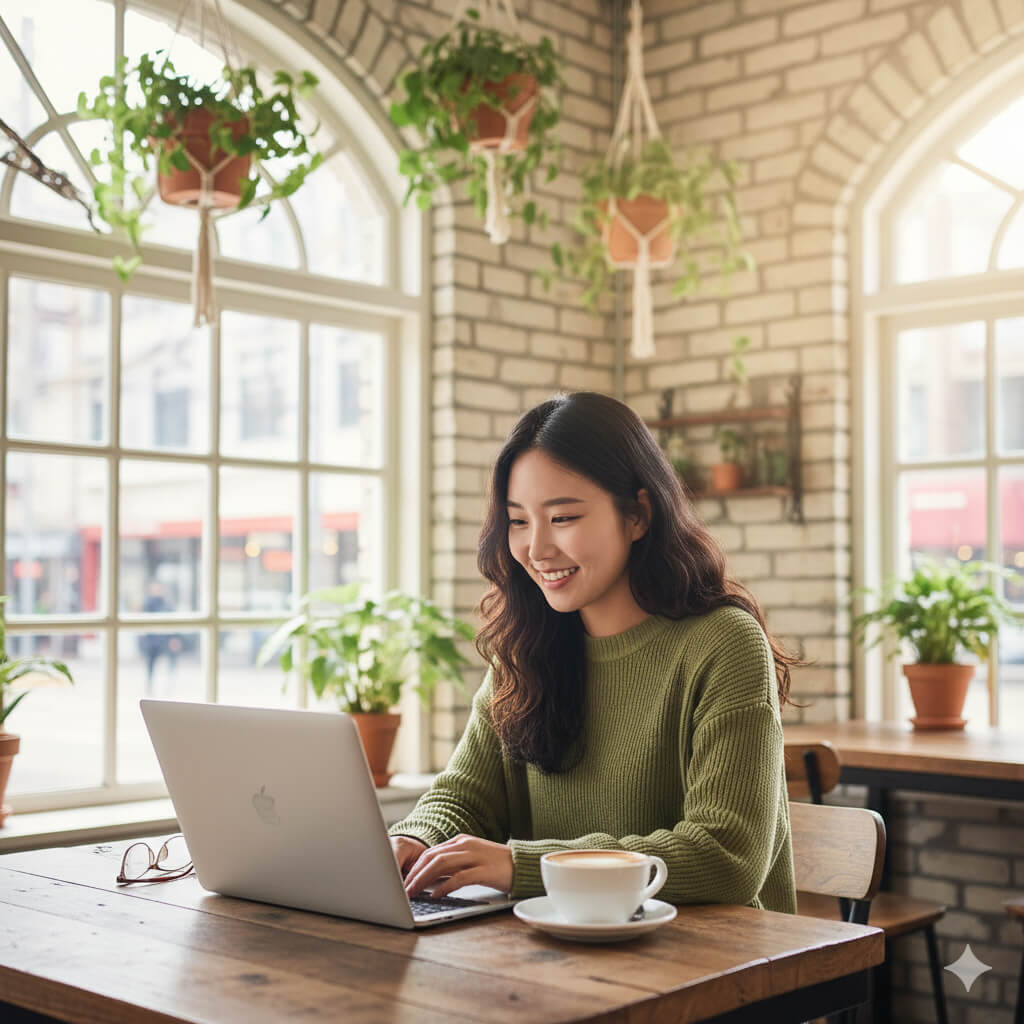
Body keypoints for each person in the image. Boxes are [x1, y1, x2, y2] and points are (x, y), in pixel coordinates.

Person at [389, 391, 798, 913]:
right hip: (559, 955)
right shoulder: (527, 646)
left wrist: (525, 867)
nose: (536, 549)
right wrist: (417, 841)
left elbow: (726, 858)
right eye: (518, 521)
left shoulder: (723, 644)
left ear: (637, 515)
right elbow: (465, 794)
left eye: (562, 518)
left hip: (717, 966)